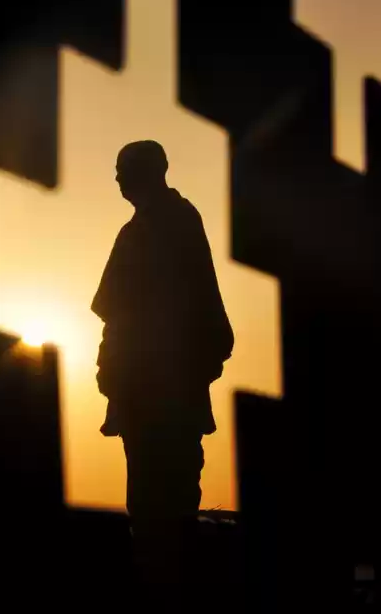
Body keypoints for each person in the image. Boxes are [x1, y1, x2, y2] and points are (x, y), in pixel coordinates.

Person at [91, 140, 234, 603]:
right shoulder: (139, 228)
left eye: (122, 170)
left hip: (164, 390)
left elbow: (173, 308)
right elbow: (115, 310)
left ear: (146, 172)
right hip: (143, 389)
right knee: (151, 511)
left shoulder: (171, 223)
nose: (116, 179)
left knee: (166, 510)